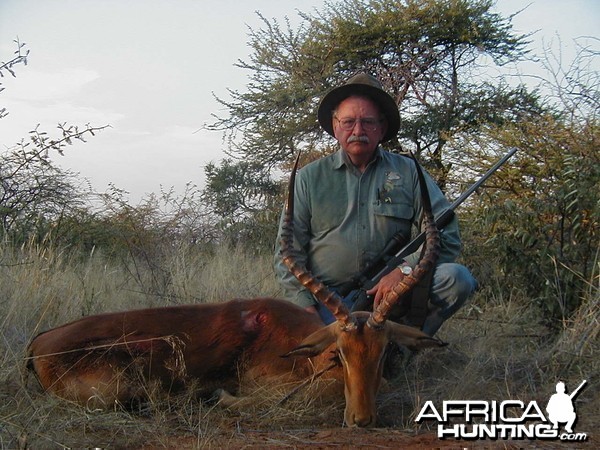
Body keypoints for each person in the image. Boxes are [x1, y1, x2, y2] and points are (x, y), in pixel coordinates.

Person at [274, 72, 477, 336]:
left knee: (456, 278)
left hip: (392, 295)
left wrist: (404, 270)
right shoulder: (309, 178)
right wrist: (307, 312)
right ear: (335, 126)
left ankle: (403, 352)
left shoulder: (409, 172)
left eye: (368, 122)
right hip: (328, 301)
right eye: (348, 122)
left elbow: (446, 235)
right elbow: (286, 253)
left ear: (381, 127)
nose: (358, 131)